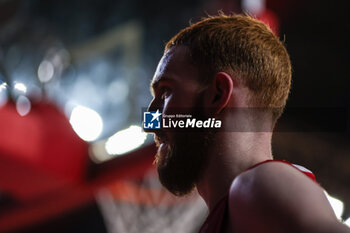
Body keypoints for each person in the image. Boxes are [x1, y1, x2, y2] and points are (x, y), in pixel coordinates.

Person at [145, 13, 350, 233]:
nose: (150, 121)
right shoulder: (236, 208)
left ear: (218, 94)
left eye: (166, 92)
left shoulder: (260, 184)